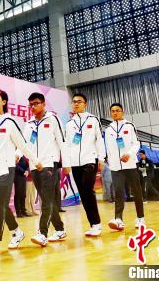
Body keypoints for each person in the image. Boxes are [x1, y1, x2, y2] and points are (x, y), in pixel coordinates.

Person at [0, 89, 42, 258]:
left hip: (6, 169)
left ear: (4, 101)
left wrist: (35, 161)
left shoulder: (10, 122)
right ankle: (17, 232)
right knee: (2, 205)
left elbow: (23, 145)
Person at [22, 92, 69, 246]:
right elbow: (24, 144)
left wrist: (66, 163)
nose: (33, 107)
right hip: (34, 166)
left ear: (43, 104)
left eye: (36, 103)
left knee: (47, 200)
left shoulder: (53, 119)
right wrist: (16, 155)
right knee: (48, 199)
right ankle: (60, 229)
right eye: (31, 105)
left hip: (49, 164)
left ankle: (42, 233)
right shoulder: (29, 124)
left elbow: (62, 142)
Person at [65, 93, 105, 237]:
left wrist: (101, 158)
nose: (76, 104)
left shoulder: (93, 120)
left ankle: (97, 223)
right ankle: (93, 224)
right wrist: (67, 162)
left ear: (85, 104)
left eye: (79, 101)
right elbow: (67, 144)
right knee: (83, 193)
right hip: (75, 163)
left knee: (88, 190)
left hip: (90, 159)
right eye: (74, 101)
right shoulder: (69, 124)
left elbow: (99, 139)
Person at [104, 103, 145, 231]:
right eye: (112, 111)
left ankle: (140, 218)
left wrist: (129, 154)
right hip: (116, 167)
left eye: (117, 110)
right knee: (118, 191)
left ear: (122, 112)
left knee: (136, 191)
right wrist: (110, 161)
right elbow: (108, 148)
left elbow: (136, 144)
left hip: (130, 164)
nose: (115, 113)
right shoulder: (108, 129)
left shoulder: (129, 126)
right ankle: (118, 219)